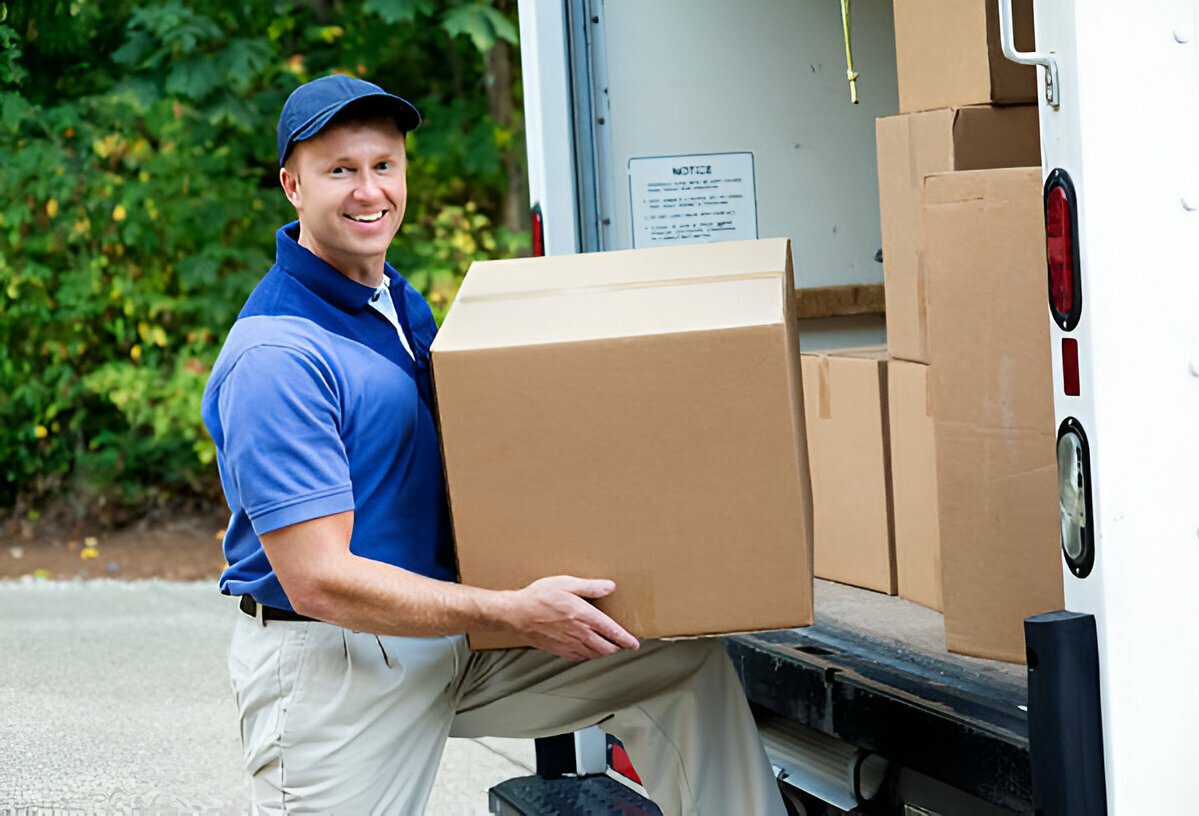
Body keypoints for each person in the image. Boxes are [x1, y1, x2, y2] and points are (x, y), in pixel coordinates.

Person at [201, 74, 787, 815]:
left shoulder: (392, 303)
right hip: (337, 665)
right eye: (340, 171)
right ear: (292, 185)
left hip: (447, 639)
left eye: (383, 166)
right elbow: (319, 579)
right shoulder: (276, 356)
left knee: (677, 666)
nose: (367, 191)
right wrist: (513, 611)